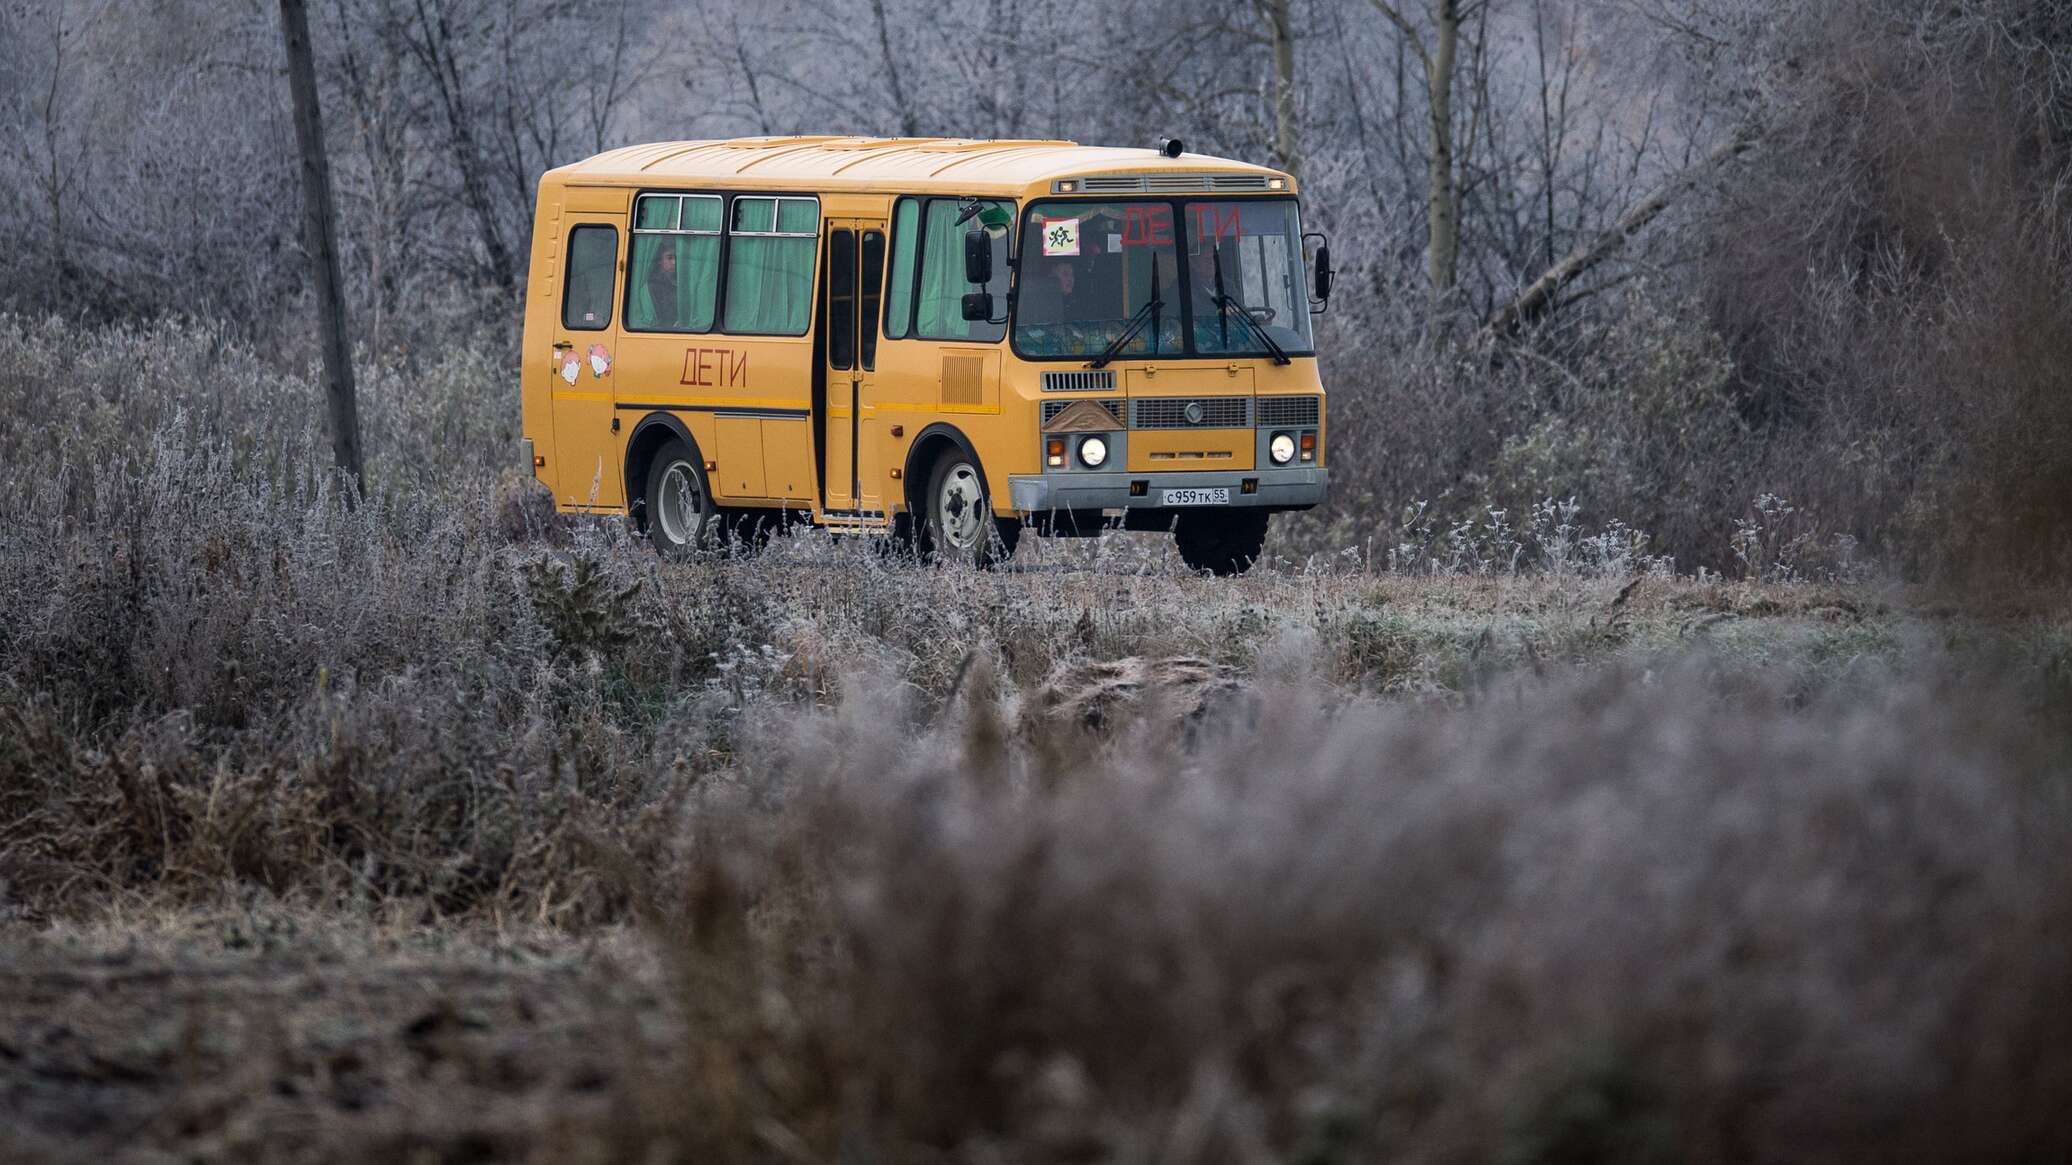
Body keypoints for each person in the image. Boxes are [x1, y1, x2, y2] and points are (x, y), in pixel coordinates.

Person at [645, 240, 680, 329]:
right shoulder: (653, 286)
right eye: (669, 258)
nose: (674, 262)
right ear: (659, 261)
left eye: (676, 258)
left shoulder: (682, 283)